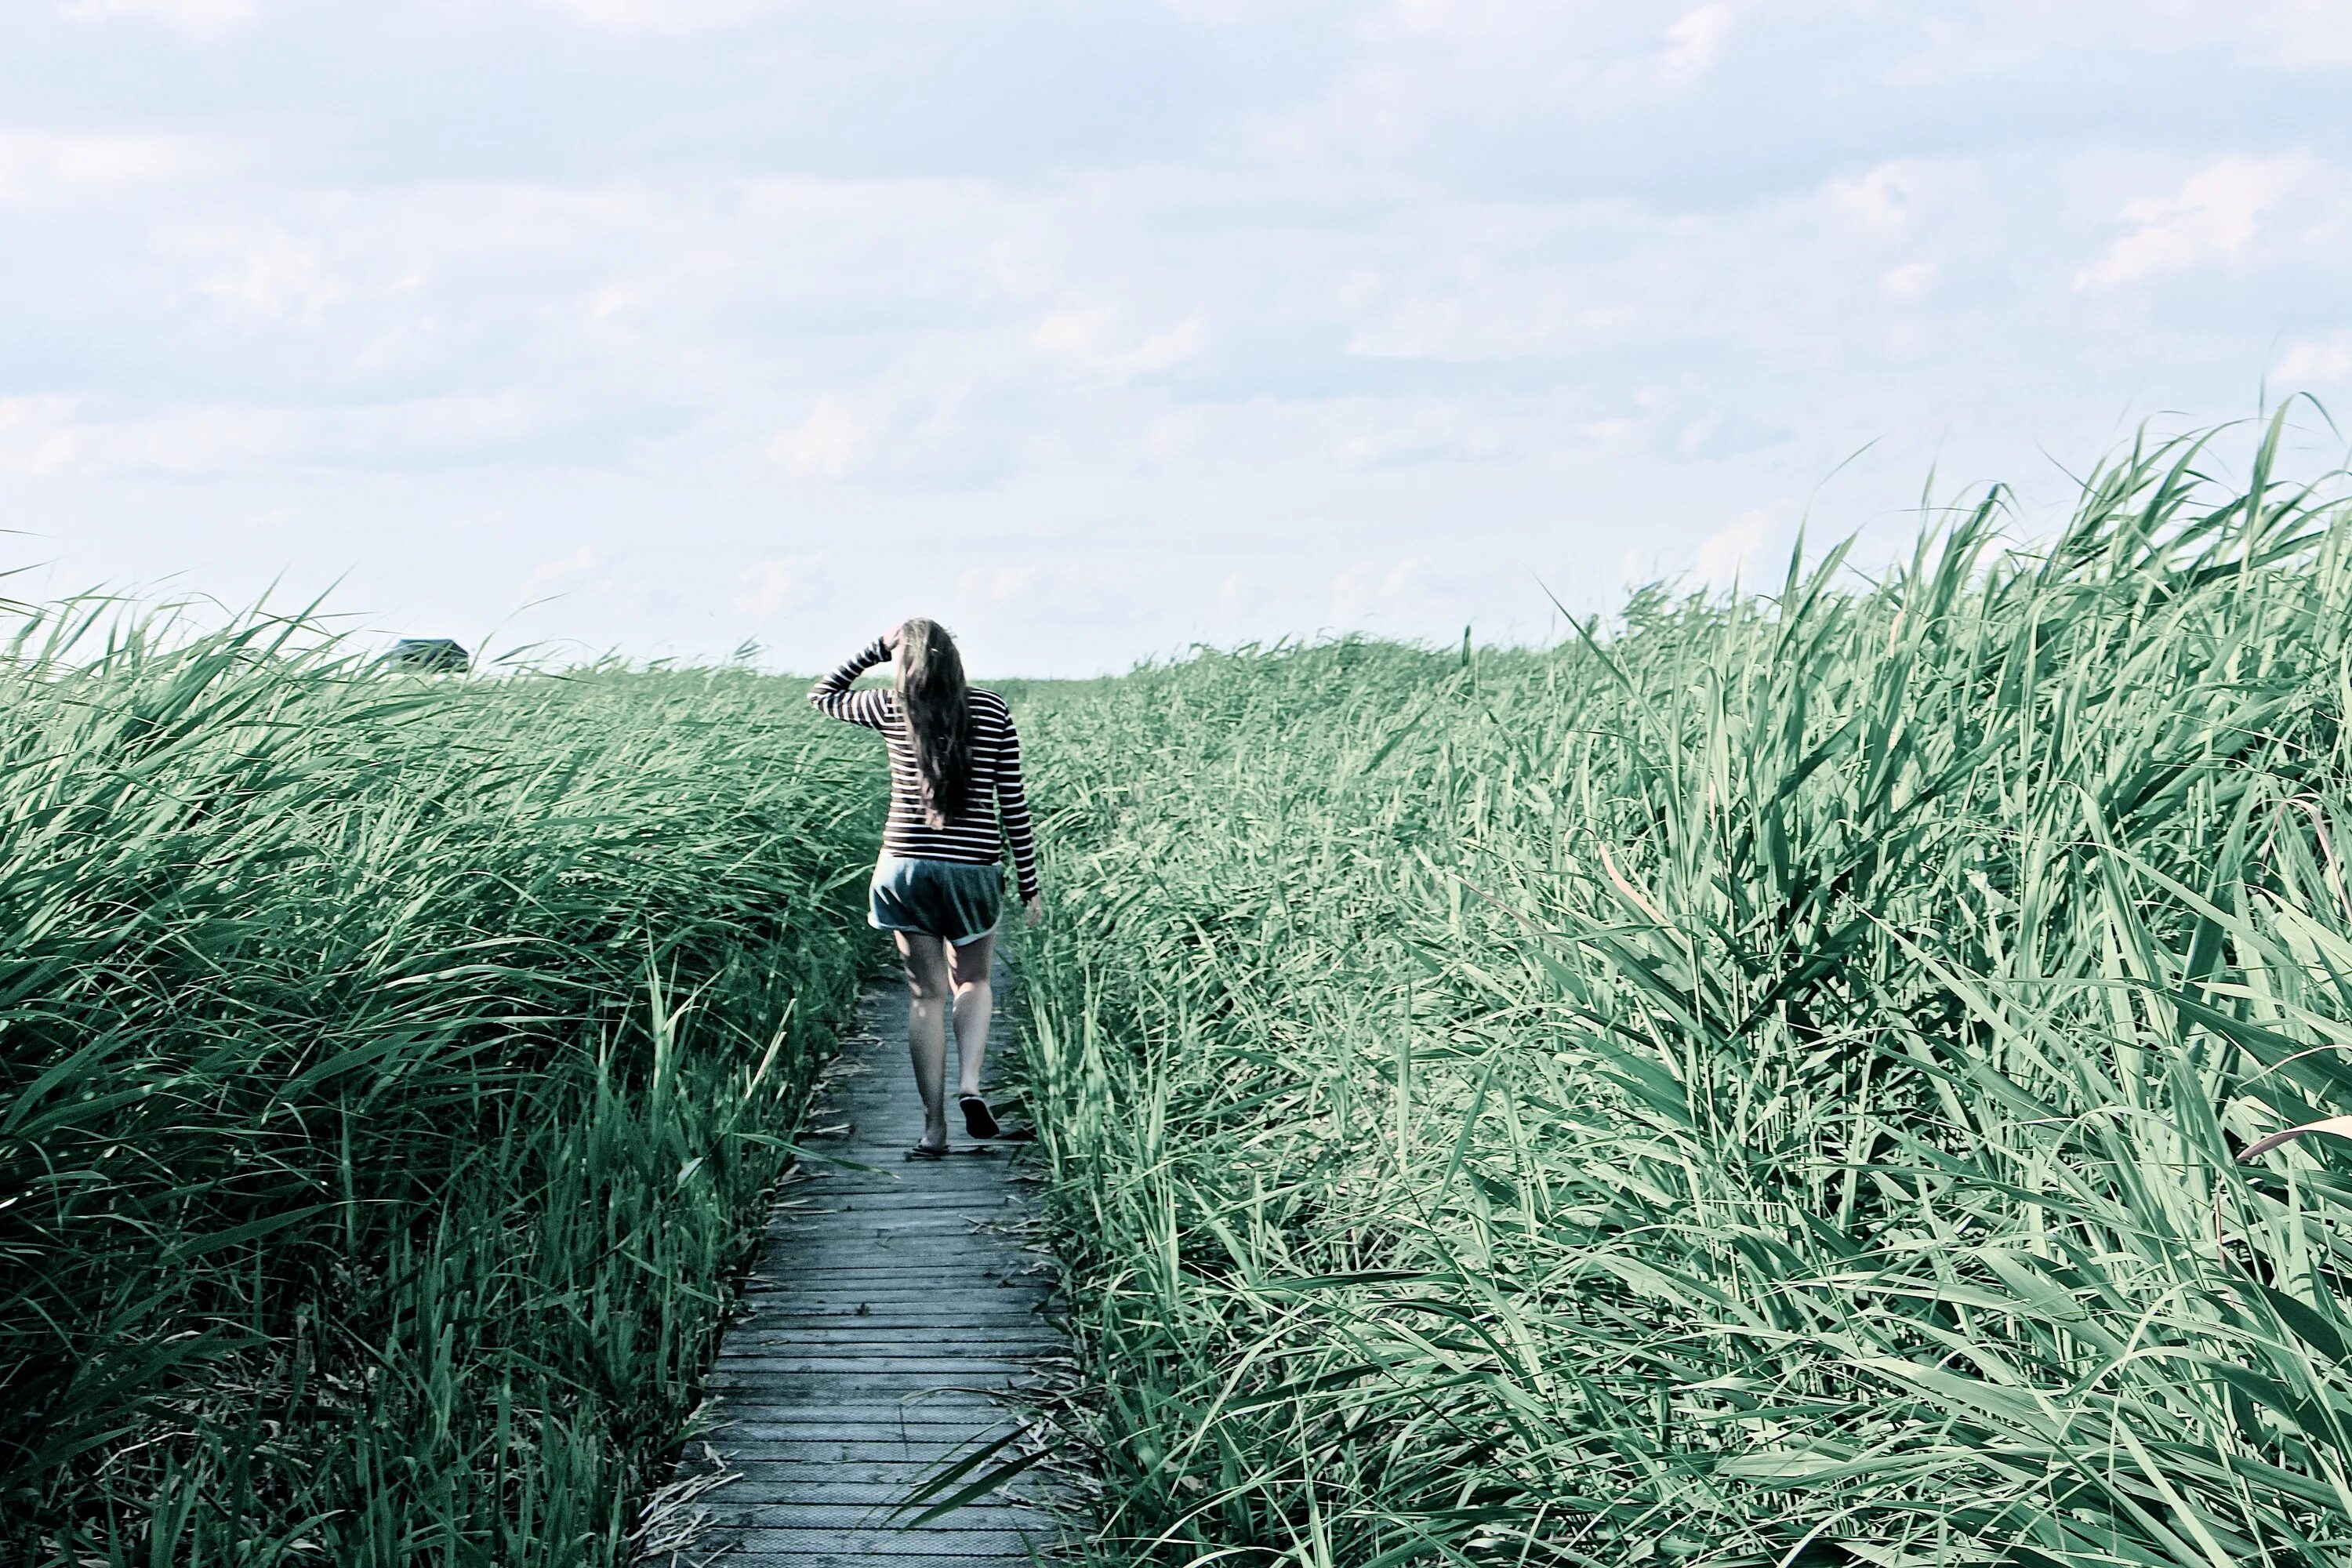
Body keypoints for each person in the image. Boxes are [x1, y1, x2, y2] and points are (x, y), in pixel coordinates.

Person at [809, 621, 1042, 1159]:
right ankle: (970, 1084)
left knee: (925, 995)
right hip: (973, 867)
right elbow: (1014, 803)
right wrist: (1028, 883)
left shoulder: (891, 706)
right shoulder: (990, 708)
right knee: (975, 981)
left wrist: (874, 648)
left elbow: (822, 696)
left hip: (903, 866)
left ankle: (933, 1130)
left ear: (902, 659)